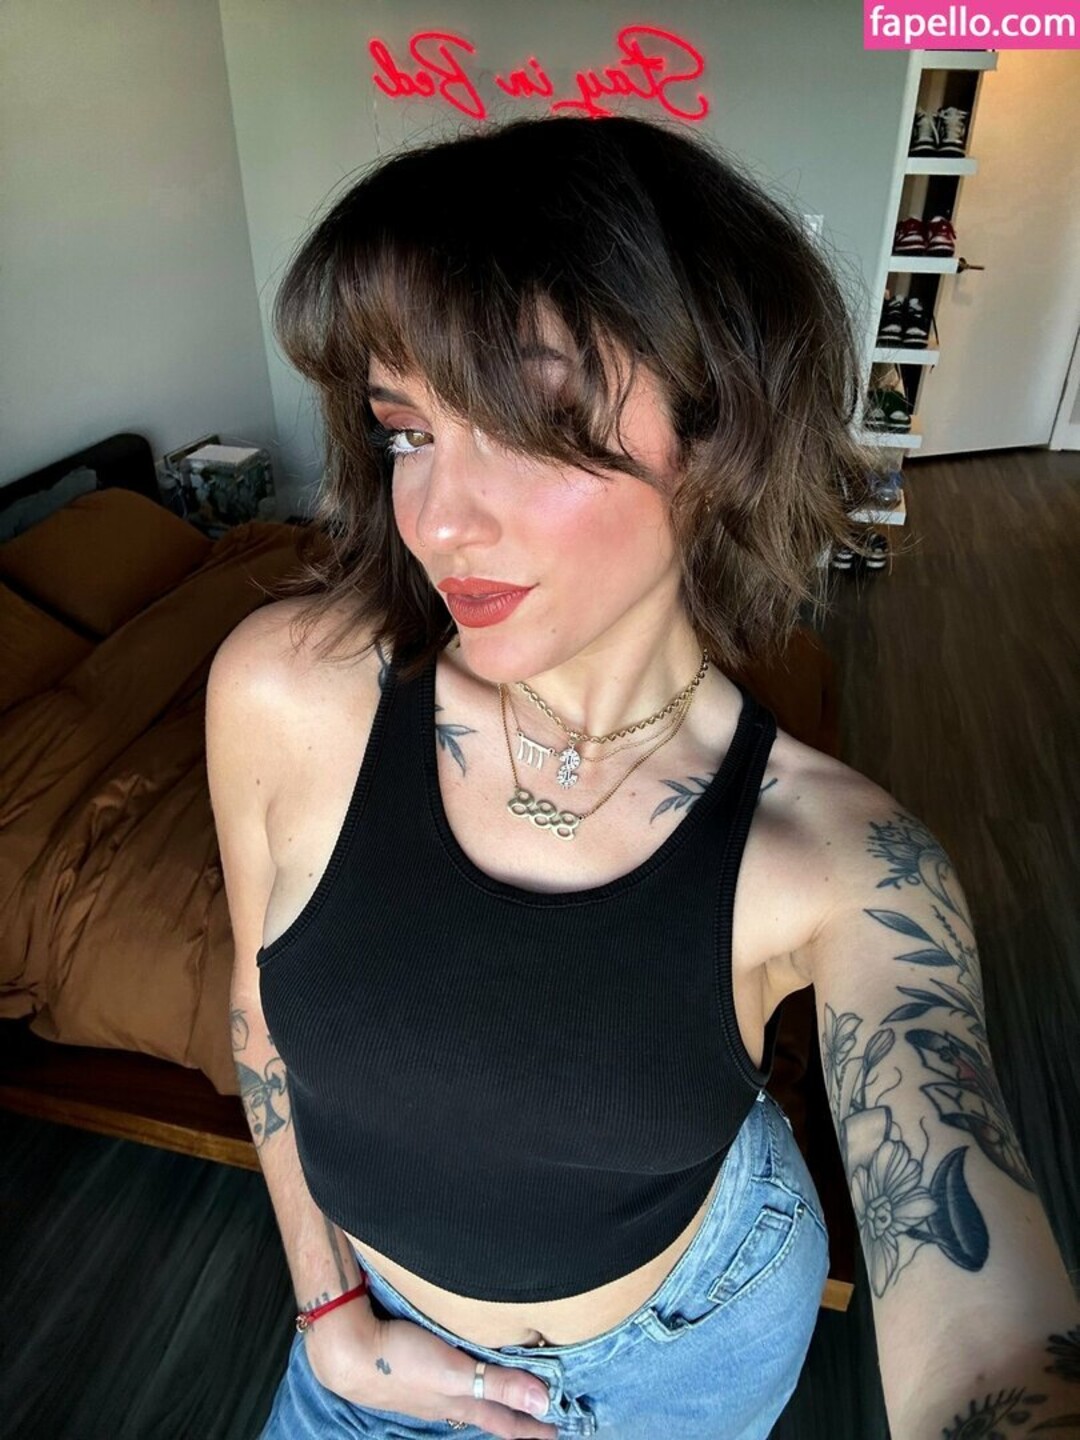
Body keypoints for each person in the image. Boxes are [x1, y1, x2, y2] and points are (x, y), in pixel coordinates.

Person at [206, 115, 1080, 1440]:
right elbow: (260, 1014)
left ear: (714, 429)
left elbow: (974, 1299)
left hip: (680, 1364)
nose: (439, 519)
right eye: (407, 433)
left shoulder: (844, 862)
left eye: (530, 422)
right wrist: (330, 1316)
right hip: (362, 1356)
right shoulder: (284, 693)